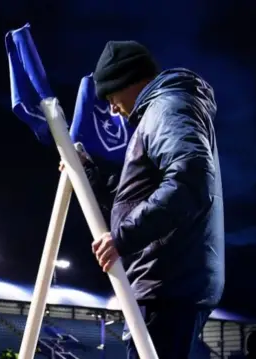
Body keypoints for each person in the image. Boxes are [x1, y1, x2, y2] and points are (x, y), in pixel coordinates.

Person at [61, 40, 224, 359]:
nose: (112, 108)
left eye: (111, 96)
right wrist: (90, 177)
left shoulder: (167, 107)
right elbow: (143, 199)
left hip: (167, 284)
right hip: (168, 282)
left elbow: (191, 179)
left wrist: (123, 237)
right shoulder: (164, 109)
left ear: (128, 80)